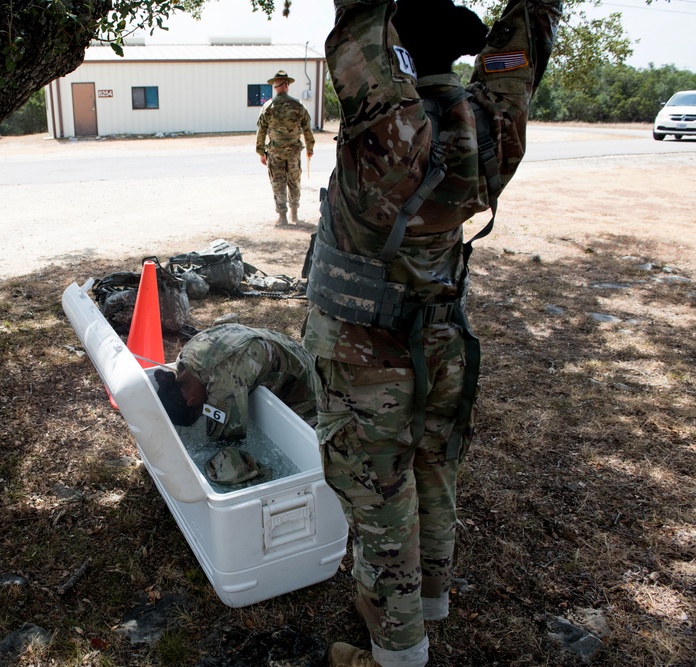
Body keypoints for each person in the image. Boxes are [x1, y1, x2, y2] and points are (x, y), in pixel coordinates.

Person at [302, 1, 563, 666]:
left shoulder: (385, 137)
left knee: (381, 499)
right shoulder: (489, 123)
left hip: (371, 360)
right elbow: (518, 58)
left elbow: (360, 29)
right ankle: (432, 598)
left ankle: (398, 650)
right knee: (434, 470)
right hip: (443, 341)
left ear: (394, 53)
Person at [154, 323, 320, 441]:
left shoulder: (225, 385)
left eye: (201, 411)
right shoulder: (186, 356)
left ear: (191, 401)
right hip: (288, 345)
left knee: (303, 435)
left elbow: (229, 436)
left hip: (310, 379)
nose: (206, 409)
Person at [255, 70, 315, 226]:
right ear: (287, 85)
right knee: (294, 182)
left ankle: (282, 217)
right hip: (294, 152)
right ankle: (294, 215)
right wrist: (310, 148)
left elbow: (261, 131)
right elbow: (307, 129)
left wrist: (261, 152)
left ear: (275, 87)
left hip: (275, 153)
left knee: (278, 183)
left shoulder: (268, 107)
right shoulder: (298, 105)